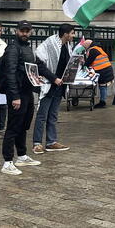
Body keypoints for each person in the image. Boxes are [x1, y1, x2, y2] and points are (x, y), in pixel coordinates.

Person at [1, 21, 60, 175]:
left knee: (24, 126)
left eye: (27, 31)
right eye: (22, 31)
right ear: (16, 31)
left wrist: (54, 78)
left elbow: (38, 66)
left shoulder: (28, 48)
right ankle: (7, 162)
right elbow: (10, 73)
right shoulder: (13, 49)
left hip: (27, 92)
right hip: (17, 94)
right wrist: (14, 96)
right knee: (13, 127)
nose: (25, 34)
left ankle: (21, 156)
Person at [32, 24, 75, 154]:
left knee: (53, 115)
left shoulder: (68, 46)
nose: (73, 36)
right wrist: (54, 78)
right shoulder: (50, 43)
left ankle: (51, 141)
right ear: (66, 33)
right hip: (49, 84)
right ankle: (37, 143)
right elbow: (40, 64)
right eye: (72, 33)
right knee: (42, 115)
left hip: (60, 86)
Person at [84, 40, 114, 108]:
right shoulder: (98, 48)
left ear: (88, 44)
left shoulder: (93, 50)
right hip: (106, 69)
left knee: (102, 86)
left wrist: (84, 65)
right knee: (103, 86)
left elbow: (89, 60)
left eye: (85, 46)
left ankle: (102, 102)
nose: (85, 48)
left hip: (103, 69)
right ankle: (103, 100)